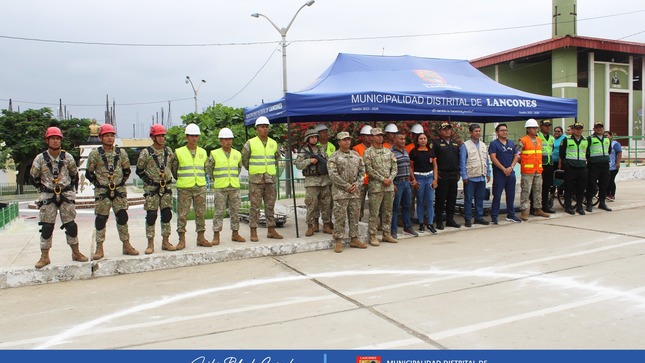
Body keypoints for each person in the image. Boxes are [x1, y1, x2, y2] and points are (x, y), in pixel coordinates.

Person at [31, 127, 88, 268]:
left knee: (71, 225)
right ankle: (44, 256)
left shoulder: (67, 157)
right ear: (47, 140)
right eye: (53, 138)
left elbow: (74, 175)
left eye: (58, 138)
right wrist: (44, 189)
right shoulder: (40, 159)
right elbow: (34, 177)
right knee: (47, 227)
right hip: (48, 194)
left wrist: (67, 189)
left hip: (65, 194)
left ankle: (76, 252)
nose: (56, 141)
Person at [86, 124, 139, 259]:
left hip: (118, 190)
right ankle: (99, 248)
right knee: (101, 219)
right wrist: (99, 184)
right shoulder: (95, 154)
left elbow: (126, 170)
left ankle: (126, 245)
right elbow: (89, 173)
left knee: (122, 217)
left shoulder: (121, 153)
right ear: (101, 137)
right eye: (107, 135)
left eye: (112, 135)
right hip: (102, 191)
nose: (110, 138)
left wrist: (119, 182)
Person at [136, 124, 177, 254]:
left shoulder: (168, 151)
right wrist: (149, 181)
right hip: (152, 189)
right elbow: (139, 170)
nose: (161, 138)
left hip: (166, 188)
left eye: (163, 136)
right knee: (151, 216)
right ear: (153, 137)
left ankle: (166, 241)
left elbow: (172, 166)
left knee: (166, 215)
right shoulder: (146, 153)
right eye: (158, 136)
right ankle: (150, 243)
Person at [241, 116, 283, 241]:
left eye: (266, 127)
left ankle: (271, 229)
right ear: (257, 128)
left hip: (270, 179)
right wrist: (254, 171)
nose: (265, 129)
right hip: (256, 180)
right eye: (262, 127)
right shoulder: (250, 143)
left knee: (270, 206)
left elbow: (276, 158)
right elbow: (245, 159)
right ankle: (253, 231)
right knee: (255, 206)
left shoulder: (273, 143)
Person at [327, 131, 368, 253]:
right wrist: (346, 186)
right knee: (340, 217)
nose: (347, 141)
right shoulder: (334, 157)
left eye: (349, 139)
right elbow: (332, 175)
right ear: (339, 142)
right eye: (344, 140)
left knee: (354, 216)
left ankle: (354, 238)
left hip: (354, 192)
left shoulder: (356, 156)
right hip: (341, 193)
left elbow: (362, 172)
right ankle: (338, 240)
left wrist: (357, 184)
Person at [172, 123, 211, 249]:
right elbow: (174, 169)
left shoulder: (203, 152)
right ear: (187, 137)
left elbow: (205, 169)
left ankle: (201, 238)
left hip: (199, 186)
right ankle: (182, 240)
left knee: (200, 213)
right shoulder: (179, 152)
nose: (194, 138)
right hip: (185, 187)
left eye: (196, 136)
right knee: (182, 214)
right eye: (192, 136)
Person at [205, 127, 247, 244]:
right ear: (220, 141)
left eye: (230, 139)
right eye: (225, 139)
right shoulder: (214, 154)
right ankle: (216, 235)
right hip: (220, 187)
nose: (228, 141)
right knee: (218, 212)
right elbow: (209, 169)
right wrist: (216, 178)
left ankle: (235, 233)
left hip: (234, 186)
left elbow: (238, 168)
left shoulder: (237, 154)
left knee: (235, 211)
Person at [363, 127, 398, 246]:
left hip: (389, 186)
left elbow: (394, 167)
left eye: (381, 135)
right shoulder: (368, 152)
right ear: (372, 137)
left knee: (388, 211)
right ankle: (372, 235)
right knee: (374, 212)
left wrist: (390, 179)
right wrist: (383, 179)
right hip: (376, 187)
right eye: (377, 135)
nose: (380, 137)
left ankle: (386, 234)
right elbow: (368, 169)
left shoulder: (388, 151)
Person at [294, 128, 333, 236]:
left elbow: (328, 161)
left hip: (324, 180)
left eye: (316, 137)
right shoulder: (304, 150)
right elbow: (297, 164)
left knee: (326, 204)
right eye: (312, 137)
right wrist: (309, 161)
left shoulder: (321, 149)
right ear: (307, 138)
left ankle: (326, 224)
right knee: (312, 204)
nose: (314, 139)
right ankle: (311, 225)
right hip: (311, 182)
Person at [517, 119, 550, 221]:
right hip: (527, 171)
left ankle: (537, 209)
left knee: (538, 190)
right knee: (526, 192)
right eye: (533, 128)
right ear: (528, 129)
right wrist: (523, 163)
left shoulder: (539, 140)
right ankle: (524, 211)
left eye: (536, 128)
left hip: (538, 170)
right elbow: (517, 155)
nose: (536, 130)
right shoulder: (523, 140)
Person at [488, 123, 521, 224]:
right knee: (497, 195)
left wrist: (511, 167)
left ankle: (511, 215)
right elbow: (493, 158)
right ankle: (494, 216)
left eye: (506, 130)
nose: (505, 132)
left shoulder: (511, 143)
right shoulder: (494, 144)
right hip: (499, 174)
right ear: (497, 132)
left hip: (510, 173)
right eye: (502, 130)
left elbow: (516, 156)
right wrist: (503, 169)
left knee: (511, 195)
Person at [459, 123, 490, 227]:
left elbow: (486, 159)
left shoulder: (483, 144)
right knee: (468, 199)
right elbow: (462, 162)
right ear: (471, 132)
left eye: (479, 131)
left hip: (481, 176)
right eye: (476, 131)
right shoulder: (465, 145)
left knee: (480, 198)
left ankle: (479, 217)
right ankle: (468, 218)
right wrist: (464, 176)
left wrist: (488, 173)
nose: (478, 133)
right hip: (470, 177)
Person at [432, 122, 461, 230]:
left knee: (452, 199)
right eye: (445, 129)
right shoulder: (436, 143)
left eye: (449, 129)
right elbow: (433, 160)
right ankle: (439, 221)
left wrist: (458, 172)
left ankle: (450, 219)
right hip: (442, 175)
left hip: (453, 175)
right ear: (440, 131)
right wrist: (436, 175)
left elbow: (458, 159)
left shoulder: (455, 143)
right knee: (441, 199)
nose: (447, 131)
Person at [390, 132, 419, 238]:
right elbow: (389, 169)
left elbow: (409, 166)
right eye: (401, 139)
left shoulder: (405, 151)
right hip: (398, 182)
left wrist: (413, 179)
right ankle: (393, 230)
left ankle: (408, 227)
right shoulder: (391, 152)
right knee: (395, 207)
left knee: (407, 206)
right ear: (395, 140)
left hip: (407, 182)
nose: (403, 141)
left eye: (404, 139)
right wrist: (392, 183)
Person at [409, 132, 438, 233]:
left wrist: (435, 179)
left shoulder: (431, 151)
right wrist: (414, 180)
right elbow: (410, 167)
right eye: (420, 138)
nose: (423, 140)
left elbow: (435, 166)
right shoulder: (413, 152)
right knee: (420, 201)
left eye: (424, 138)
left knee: (430, 202)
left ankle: (430, 224)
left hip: (429, 177)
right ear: (417, 140)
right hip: (419, 177)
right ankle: (421, 224)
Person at [558, 122, 588, 215]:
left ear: (582, 130)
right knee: (568, 188)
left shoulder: (585, 140)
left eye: (580, 129)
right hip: (570, 167)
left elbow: (588, 153)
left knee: (581, 188)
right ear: (573, 130)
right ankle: (568, 206)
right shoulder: (566, 140)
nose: (578, 130)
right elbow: (562, 153)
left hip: (582, 167)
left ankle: (579, 207)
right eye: (576, 129)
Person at [313, 123, 335, 232]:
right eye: (322, 132)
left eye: (326, 131)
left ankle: (327, 222)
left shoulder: (332, 146)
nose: (325, 134)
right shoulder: (313, 146)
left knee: (328, 202)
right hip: (316, 178)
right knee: (314, 202)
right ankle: (315, 223)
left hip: (329, 178)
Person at [586, 122, 612, 212]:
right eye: (597, 127)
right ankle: (589, 203)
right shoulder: (590, 139)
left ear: (603, 128)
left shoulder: (607, 139)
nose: (599, 129)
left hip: (604, 164)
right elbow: (586, 151)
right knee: (592, 184)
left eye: (600, 127)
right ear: (594, 129)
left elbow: (609, 150)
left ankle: (602, 203)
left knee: (604, 185)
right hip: (594, 165)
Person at [353, 125, 372, 221]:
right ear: (363, 136)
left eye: (371, 135)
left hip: (372, 181)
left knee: (374, 204)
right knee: (359, 203)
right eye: (367, 135)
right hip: (361, 181)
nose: (370, 137)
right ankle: (358, 221)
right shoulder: (356, 149)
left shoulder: (374, 148)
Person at [537, 119, 556, 214]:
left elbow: (551, 150)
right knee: (537, 187)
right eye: (545, 125)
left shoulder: (552, 138)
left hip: (549, 164)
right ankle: (535, 207)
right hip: (539, 165)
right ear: (541, 126)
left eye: (549, 125)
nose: (547, 127)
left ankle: (545, 206)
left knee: (546, 187)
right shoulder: (537, 136)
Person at [604, 130, 622, 201]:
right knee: (605, 180)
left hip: (613, 166)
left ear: (611, 136)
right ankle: (606, 193)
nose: (605, 137)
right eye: (604, 135)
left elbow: (619, 153)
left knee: (611, 180)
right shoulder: (604, 143)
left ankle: (612, 194)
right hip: (606, 166)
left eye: (607, 135)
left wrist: (618, 163)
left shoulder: (615, 144)